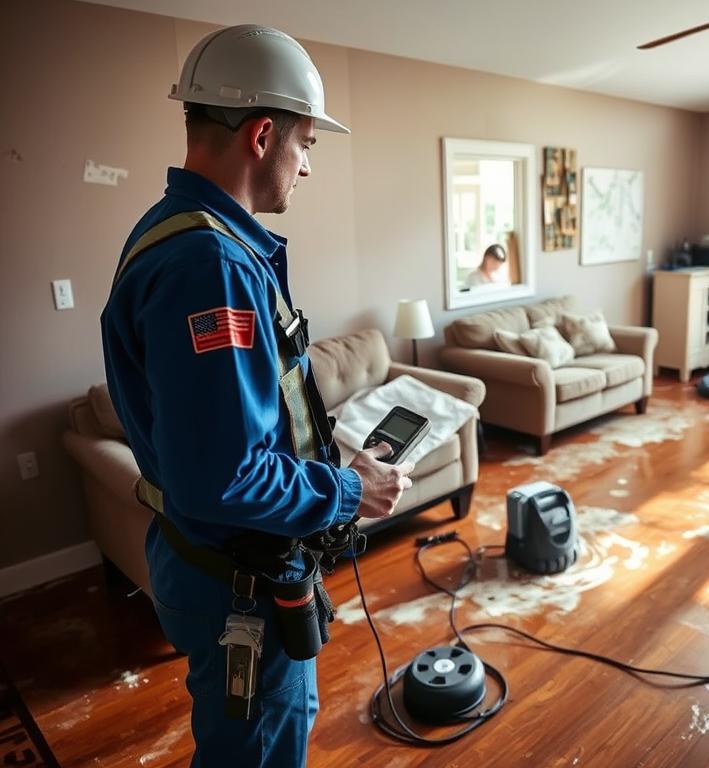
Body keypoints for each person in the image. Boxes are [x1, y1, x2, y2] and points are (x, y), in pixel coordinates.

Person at [100, 24, 414, 768]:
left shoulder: (178, 232)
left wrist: (334, 462)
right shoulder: (211, 265)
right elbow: (227, 476)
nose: (306, 168)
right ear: (264, 134)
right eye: (307, 145)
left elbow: (243, 429)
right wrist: (347, 491)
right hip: (233, 584)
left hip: (211, 563)